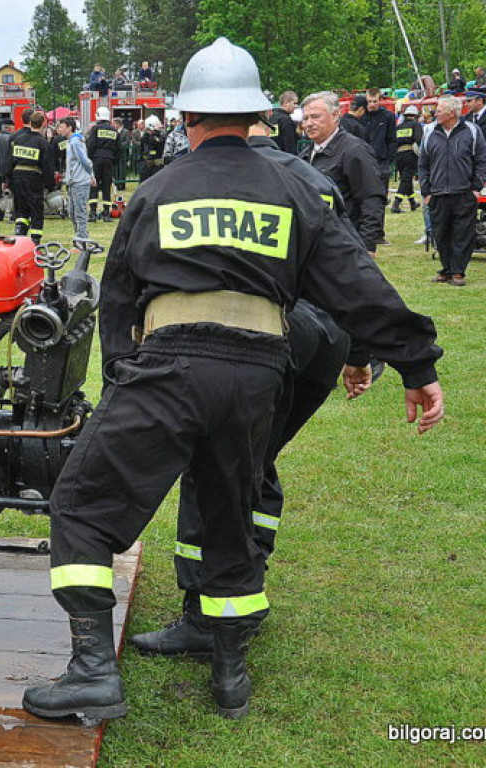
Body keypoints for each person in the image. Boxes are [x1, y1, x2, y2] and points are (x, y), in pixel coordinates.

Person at [21, 37, 443, 725]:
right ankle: (229, 676)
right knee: (229, 513)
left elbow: (118, 294)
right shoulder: (295, 190)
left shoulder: (157, 189)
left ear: (187, 118)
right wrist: (416, 364)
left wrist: (125, 373)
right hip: (258, 375)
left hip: (169, 366)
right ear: (255, 117)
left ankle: (92, 672)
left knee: (82, 504)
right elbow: (356, 283)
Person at [131, 113, 367, 665]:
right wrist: (359, 353)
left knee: (214, 464)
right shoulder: (310, 178)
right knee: (256, 461)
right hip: (324, 336)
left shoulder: (199, 174)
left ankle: (205, 617)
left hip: (266, 332)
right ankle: (245, 590)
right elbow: (352, 267)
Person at [302, 91, 385, 256]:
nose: (309, 123)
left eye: (315, 117)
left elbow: (371, 199)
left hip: (345, 245)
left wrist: (367, 246)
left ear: (335, 115)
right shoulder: (305, 155)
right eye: (305, 118)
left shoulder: (354, 151)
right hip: (314, 246)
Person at [420, 94, 486, 286]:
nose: (435, 113)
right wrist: (426, 191)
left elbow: (481, 161)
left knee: (462, 234)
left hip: (464, 192)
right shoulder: (429, 131)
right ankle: (446, 269)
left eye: (439, 110)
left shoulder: (472, 131)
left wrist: (476, 188)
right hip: (437, 193)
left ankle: (458, 272)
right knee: (441, 234)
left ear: (452, 113)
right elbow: (423, 163)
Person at [2, 111, 55, 244]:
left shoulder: (18, 139)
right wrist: (50, 185)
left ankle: (20, 233)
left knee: (20, 208)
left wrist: (7, 179)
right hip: (33, 179)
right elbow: (47, 166)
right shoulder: (42, 142)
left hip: (17, 177)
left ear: (30, 123)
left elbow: (9, 160)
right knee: (36, 209)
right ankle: (35, 240)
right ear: (43, 124)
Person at [358, 88, 397, 243]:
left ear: (379, 100)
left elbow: (392, 139)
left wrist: (388, 159)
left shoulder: (387, 116)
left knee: (379, 199)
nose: (372, 104)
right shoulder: (362, 117)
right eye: (369, 102)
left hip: (381, 162)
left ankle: (378, 233)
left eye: (375, 101)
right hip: (363, 161)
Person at [57, 116, 93, 242]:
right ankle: (80, 236)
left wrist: (91, 174)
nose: (59, 130)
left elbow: (85, 160)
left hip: (80, 182)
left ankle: (82, 239)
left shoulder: (76, 142)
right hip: (73, 182)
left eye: (62, 127)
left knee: (79, 213)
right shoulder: (70, 142)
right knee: (72, 212)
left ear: (69, 127)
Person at [86, 106, 119, 221]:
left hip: (96, 160)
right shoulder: (114, 130)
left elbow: (90, 145)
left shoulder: (95, 129)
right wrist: (114, 161)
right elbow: (119, 148)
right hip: (109, 160)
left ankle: (93, 213)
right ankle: (106, 213)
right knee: (106, 186)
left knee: (94, 185)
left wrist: (90, 159)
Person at [391, 104, 423, 213]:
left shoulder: (399, 127)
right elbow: (419, 140)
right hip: (410, 154)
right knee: (406, 179)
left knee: (406, 178)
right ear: (415, 116)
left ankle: (413, 203)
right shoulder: (416, 125)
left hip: (399, 155)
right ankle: (396, 204)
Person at [0, 120, 16, 221]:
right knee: (13, 192)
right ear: (9, 128)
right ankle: (12, 214)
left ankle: (0, 215)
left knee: (0, 192)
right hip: (11, 169)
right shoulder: (14, 138)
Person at [269, 91, 298, 156]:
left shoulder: (272, 117)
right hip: (285, 157)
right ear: (285, 103)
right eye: (294, 103)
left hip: (272, 155)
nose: (296, 106)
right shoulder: (285, 120)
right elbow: (289, 144)